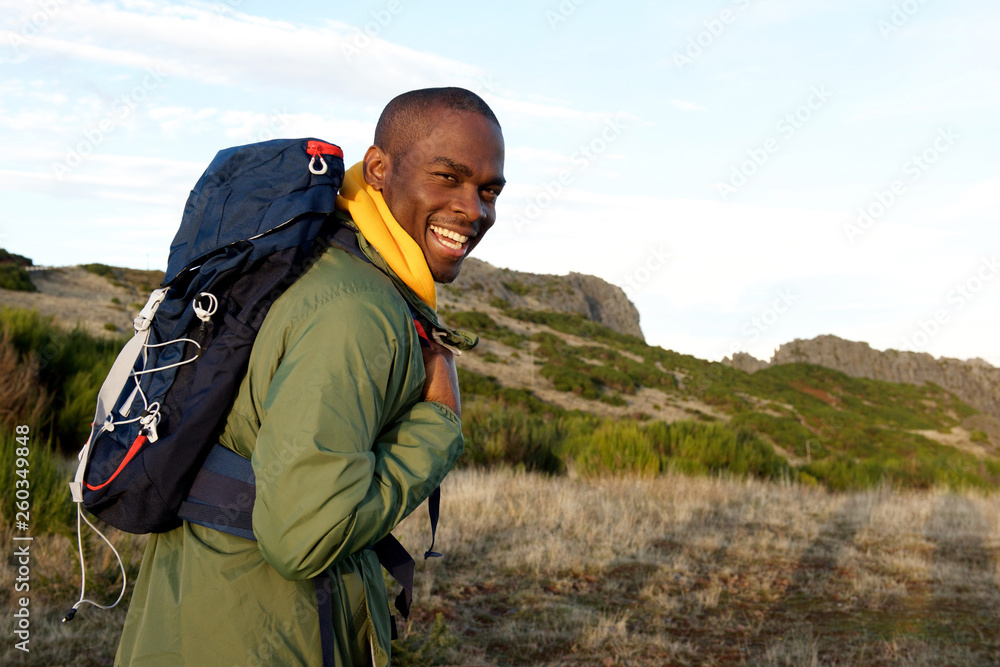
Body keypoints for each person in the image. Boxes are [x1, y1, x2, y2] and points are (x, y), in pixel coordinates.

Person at [114, 87, 505, 666]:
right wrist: (438, 425)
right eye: (448, 178)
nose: (474, 210)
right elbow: (304, 537)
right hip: (259, 634)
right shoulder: (356, 309)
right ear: (378, 169)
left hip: (203, 614)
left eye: (488, 190)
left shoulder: (333, 265)